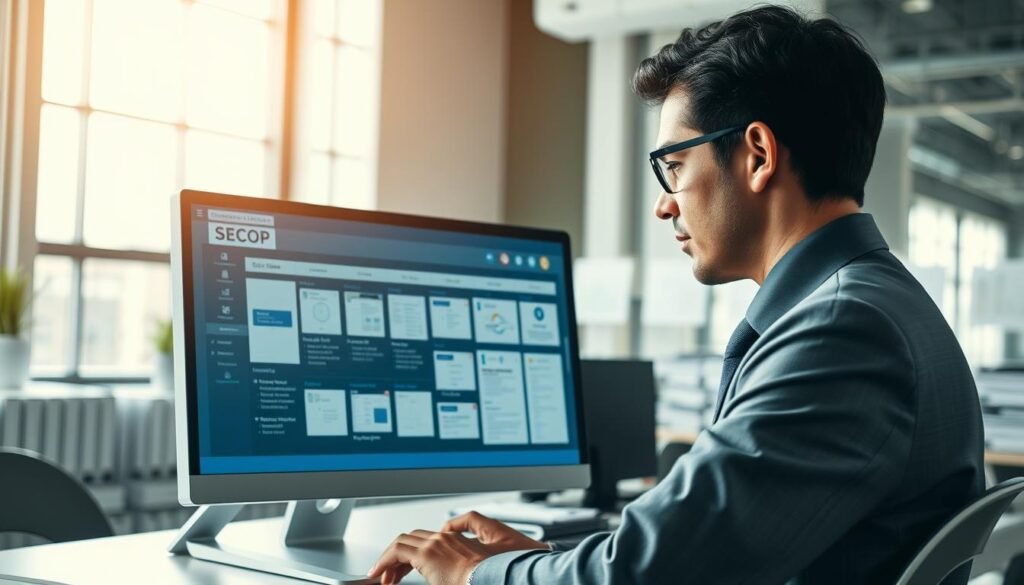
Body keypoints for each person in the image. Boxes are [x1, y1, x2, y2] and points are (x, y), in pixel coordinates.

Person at [368, 5, 984, 584]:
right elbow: (689, 550)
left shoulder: (843, 330)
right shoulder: (877, 302)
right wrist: (544, 564)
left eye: (675, 166)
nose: (664, 205)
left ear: (758, 155)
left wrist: (476, 574)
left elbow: (655, 574)